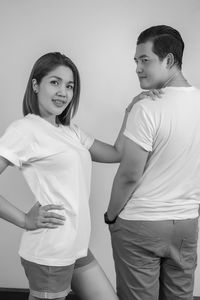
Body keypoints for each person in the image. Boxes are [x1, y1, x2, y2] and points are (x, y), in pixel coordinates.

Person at [0, 52, 162, 300]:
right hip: (50, 251)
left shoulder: (70, 132)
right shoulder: (25, 130)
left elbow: (116, 153)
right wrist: (24, 219)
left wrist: (132, 110)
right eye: (54, 82)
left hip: (75, 247)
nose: (63, 92)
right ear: (35, 85)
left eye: (69, 86)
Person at [105, 25, 200, 300]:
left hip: (139, 224)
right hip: (185, 223)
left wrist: (111, 216)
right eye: (136, 61)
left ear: (169, 60)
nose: (137, 68)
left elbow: (129, 175)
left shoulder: (147, 108)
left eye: (145, 60)